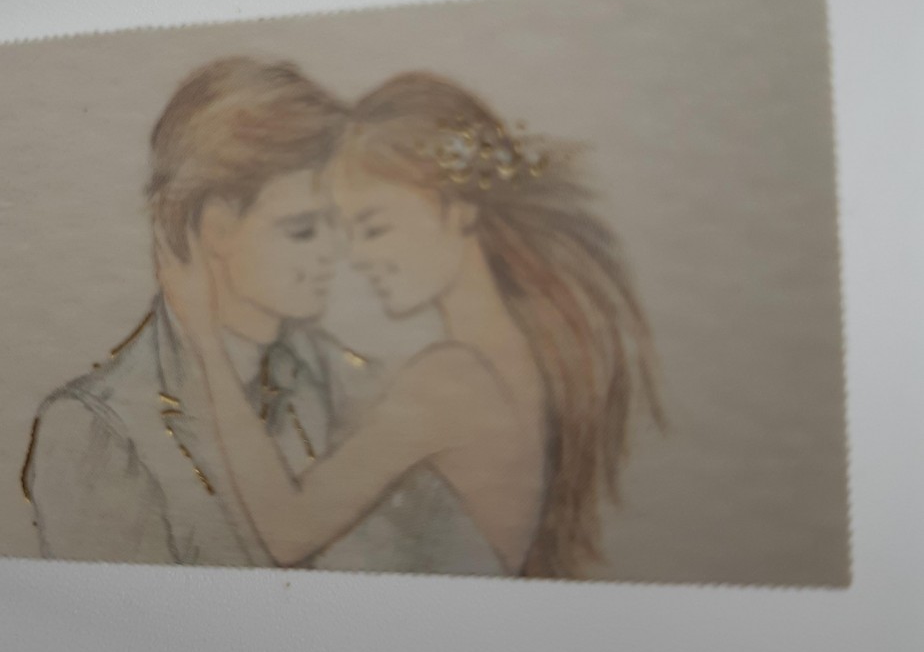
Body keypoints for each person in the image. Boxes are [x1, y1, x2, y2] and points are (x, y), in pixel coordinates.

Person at [160, 71, 664, 578]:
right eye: (350, 231)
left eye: (374, 227)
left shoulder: (453, 379)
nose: (357, 256)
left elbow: (288, 532)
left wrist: (204, 337)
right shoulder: (515, 353)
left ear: (457, 210)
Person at [24, 56, 376, 566]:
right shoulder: (99, 429)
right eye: (302, 229)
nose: (333, 250)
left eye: (335, 223)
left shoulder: (340, 379)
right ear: (216, 228)